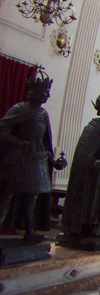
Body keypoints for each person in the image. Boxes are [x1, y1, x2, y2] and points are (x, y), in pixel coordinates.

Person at [0, 69, 67, 243]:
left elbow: (45, 140)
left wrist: (54, 162)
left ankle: (29, 231)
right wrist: (18, 142)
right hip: (18, 158)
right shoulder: (19, 109)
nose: (47, 96)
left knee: (32, 196)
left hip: (37, 159)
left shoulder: (43, 113)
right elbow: (3, 129)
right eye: (45, 92)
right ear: (35, 92)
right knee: (7, 195)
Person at [60, 88, 100, 240]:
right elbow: (83, 154)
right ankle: (93, 225)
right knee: (95, 201)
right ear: (99, 111)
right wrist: (94, 162)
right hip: (95, 176)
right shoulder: (93, 128)